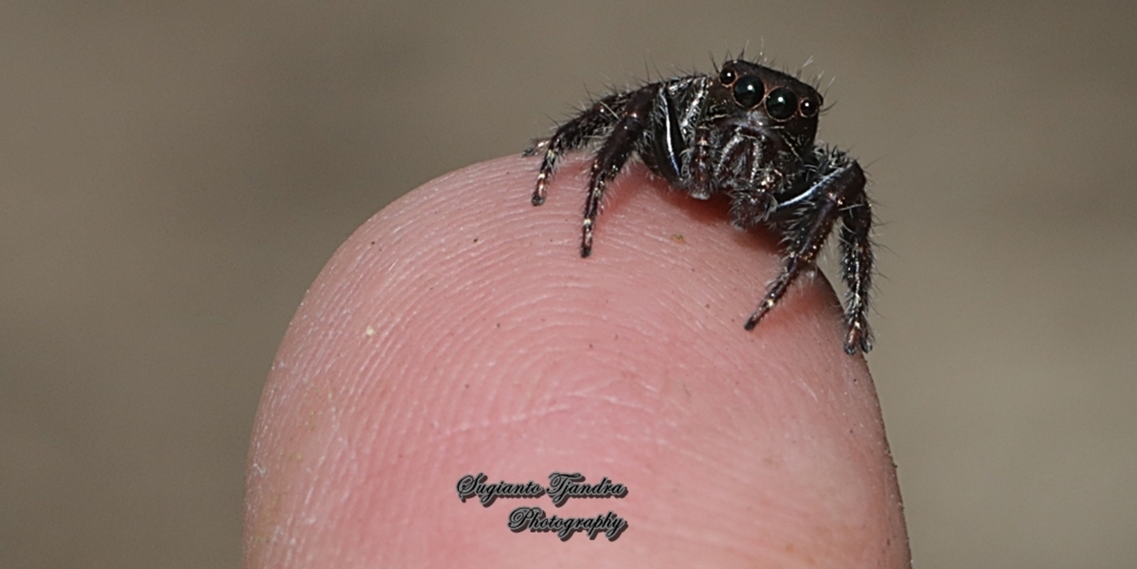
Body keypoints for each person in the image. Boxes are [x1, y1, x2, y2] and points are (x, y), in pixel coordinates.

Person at [244, 156, 911, 567]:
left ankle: (836, 300)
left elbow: (842, 193)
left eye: (783, 114)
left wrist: (835, 298)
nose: (755, 125)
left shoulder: (813, 178)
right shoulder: (689, 119)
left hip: (776, 254)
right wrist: (585, 182)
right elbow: (642, 105)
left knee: (845, 183)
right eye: (741, 98)